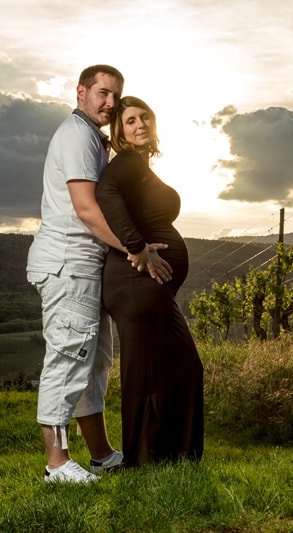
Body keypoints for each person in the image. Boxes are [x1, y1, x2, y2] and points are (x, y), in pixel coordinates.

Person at [26, 66, 171, 483]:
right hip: (68, 263)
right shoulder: (76, 135)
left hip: (86, 266)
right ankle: (57, 464)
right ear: (81, 92)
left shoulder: (92, 137)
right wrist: (135, 249)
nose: (110, 103)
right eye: (102, 93)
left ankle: (102, 455)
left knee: (92, 363)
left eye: (115, 96)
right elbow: (87, 209)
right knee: (68, 357)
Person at [96, 96, 204, 466]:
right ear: (119, 131)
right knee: (145, 373)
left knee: (179, 366)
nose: (140, 124)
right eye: (130, 120)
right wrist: (136, 246)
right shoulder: (127, 161)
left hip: (147, 287)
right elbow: (105, 192)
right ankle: (141, 461)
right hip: (133, 282)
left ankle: (172, 455)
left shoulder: (139, 165)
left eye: (144, 117)